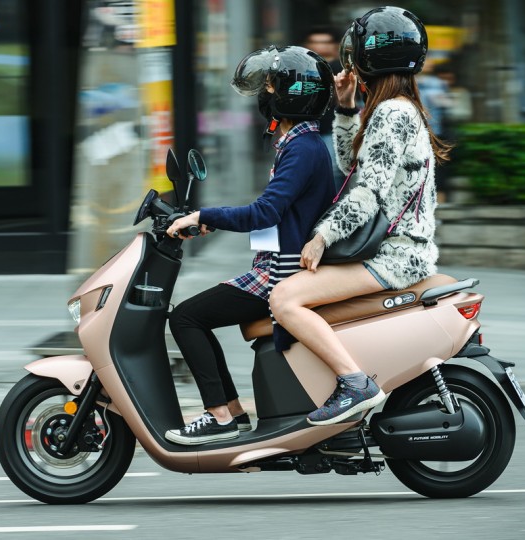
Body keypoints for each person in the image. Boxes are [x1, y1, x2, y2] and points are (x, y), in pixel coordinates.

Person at [269, 6, 452, 426]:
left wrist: (322, 237)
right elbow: (357, 167)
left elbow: (367, 192)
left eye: (355, 53)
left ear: (371, 58)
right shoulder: (400, 108)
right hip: (401, 251)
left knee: (284, 298)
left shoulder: (392, 113)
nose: (349, 62)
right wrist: (346, 108)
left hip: (394, 256)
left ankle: (353, 382)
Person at [163, 45, 336, 445]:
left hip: (281, 273)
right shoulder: (300, 143)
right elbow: (275, 214)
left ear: (289, 95)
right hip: (278, 263)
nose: (265, 93)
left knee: (185, 318)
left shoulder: (302, 149)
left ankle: (221, 415)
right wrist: (210, 221)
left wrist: (204, 215)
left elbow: (265, 212)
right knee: (192, 316)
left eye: (270, 85)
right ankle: (233, 412)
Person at [303, 26, 344, 187]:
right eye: (315, 42)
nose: (320, 46)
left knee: (332, 171)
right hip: (305, 130)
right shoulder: (301, 69)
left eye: (325, 42)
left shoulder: (342, 69)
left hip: (333, 130)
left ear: (335, 46)